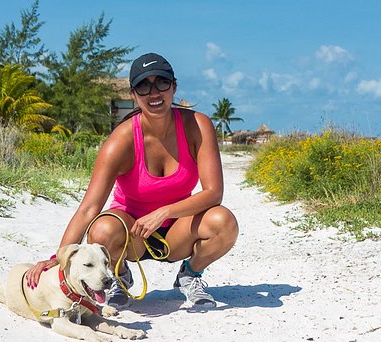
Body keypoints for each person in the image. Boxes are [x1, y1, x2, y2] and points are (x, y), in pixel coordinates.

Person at [24, 52, 239, 309]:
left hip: (179, 232)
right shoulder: (121, 141)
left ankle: (190, 275)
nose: (154, 93)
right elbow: (89, 209)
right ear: (133, 94)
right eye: (143, 86)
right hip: (131, 236)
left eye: (161, 82)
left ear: (174, 86)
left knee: (223, 222)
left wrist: (164, 212)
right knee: (101, 229)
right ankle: (119, 275)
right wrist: (58, 258)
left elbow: (214, 193)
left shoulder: (197, 125)